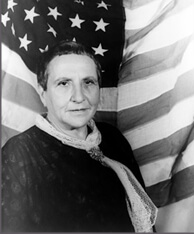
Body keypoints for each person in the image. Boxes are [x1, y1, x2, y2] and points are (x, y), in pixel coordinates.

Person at [1, 41, 157, 232]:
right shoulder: (20, 152)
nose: (79, 96)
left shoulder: (112, 138)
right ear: (43, 94)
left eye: (88, 82)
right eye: (64, 83)